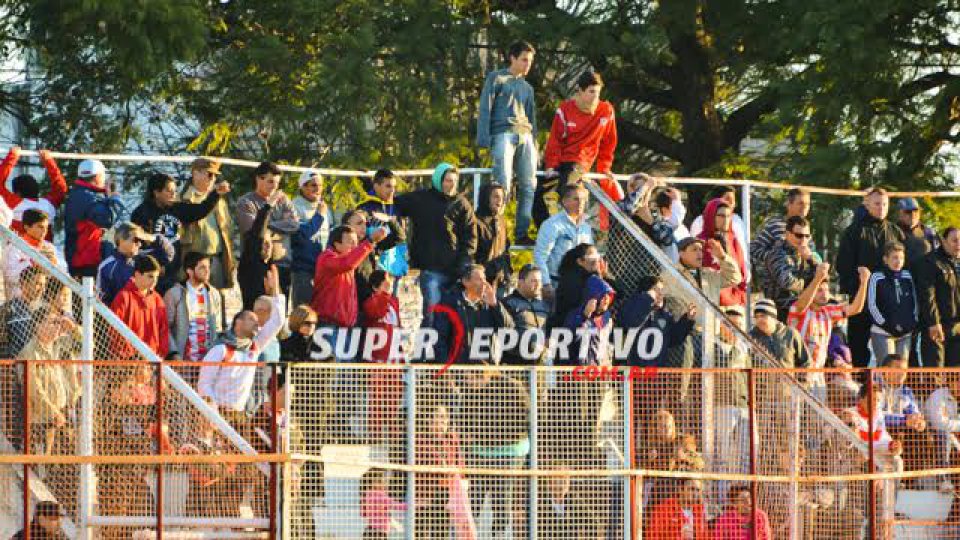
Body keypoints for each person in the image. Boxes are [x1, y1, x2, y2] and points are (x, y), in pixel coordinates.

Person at [198, 266, 285, 435]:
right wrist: (212, 413)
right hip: (217, 415)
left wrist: (275, 292)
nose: (257, 323)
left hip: (240, 415)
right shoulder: (220, 349)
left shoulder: (254, 347)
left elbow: (278, 321)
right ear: (238, 323)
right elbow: (204, 383)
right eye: (251, 319)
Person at [394, 162, 477, 327]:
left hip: (455, 270)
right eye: (447, 180)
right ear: (438, 180)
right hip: (431, 269)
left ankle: (445, 351)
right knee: (431, 315)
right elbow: (394, 204)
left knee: (453, 317)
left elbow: (470, 237)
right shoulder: (421, 198)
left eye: (453, 181)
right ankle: (425, 352)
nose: (450, 184)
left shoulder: (462, 204)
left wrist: (463, 264)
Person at [537, 70, 621, 229]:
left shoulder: (606, 111)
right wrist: (551, 164)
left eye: (598, 92)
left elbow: (609, 142)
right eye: (591, 92)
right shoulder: (565, 109)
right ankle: (543, 232)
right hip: (559, 159)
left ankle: (572, 229)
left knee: (568, 189)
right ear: (580, 92)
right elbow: (555, 139)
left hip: (579, 161)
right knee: (539, 195)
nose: (595, 97)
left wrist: (604, 168)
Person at [477, 40, 538, 244]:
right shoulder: (497, 78)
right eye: (523, 60)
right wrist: (484, 139)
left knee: (529, 185)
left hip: (525, 136)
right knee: (502, 184)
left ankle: (522, 233)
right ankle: (499, 232)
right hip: (503, 133)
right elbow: (485, 108)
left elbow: (532, 118)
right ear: (512, 58)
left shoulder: (527, 88)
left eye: (529, 61)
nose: (527, 64)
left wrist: (535, 145)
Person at [836, 187, 905, 368]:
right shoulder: (854, 231)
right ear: (867, 205)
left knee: (891, 353)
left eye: (884, 204)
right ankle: (861, 388)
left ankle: (890, 388)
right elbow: (843, 266)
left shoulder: (896, 232)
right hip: (862, 302)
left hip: (888, 303)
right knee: (858, 349)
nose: (881, 207)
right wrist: (858, 291)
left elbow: (904, 268)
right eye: (876, 203)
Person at [130, 171, 230, 293]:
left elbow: (200, 210)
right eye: (168, 190)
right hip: (153, 274)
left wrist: (215, 194)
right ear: (156, 192)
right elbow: (141, 246)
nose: (173, 194)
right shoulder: (141, 213)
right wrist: (154, 266)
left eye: (175, 190)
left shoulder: (176, 208)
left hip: (174, 272)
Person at [787, 263, 870, 398]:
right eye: (819, 290)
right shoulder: (797, 310)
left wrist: (864, 283)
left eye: (826, 290)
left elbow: (856, 308)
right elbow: (801, 305)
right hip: (797, 373)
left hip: (818, 374)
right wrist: (817, 278)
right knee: (796, 417)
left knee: (817, 418)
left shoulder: (828, 312)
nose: (824, 294)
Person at [310, 224, 388, 354]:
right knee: (333, 370)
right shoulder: (326, 258)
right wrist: (370, 241)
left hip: (346, 326)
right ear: (336, 244)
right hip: (329, 325)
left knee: (346, 371)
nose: (354, 247)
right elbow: (348, 263)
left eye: (356, 243)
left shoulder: (347, 264)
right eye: (350, 243)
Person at [18, 307, 81, 455]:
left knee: (65, 468)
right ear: (38, 325)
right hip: (42, 421)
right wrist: (55, 413)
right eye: (53, 322)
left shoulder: (60, 345)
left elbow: (88, 345)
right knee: (43, 466)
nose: (58, 326)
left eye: (59, 322)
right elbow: (34, 390)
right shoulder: (30, 352)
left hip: (63, 414)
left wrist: (74, 329)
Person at [235, 161, 300, 293]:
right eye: (270, 182)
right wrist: (277, 226)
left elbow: (294, 225)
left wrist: (266, 226)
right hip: (255, 267)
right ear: (258, 179)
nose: (274, 186)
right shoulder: (246, 202)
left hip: (281, 264)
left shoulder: (283, 200)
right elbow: (252, 231)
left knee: (280, 309)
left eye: (277, 183)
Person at [430, 264, 514, 365]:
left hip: (485, 371)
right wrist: (448, 369)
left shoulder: (491, 305)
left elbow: (508, 330)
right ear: (465, 282)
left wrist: (495, 305)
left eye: (484, 279)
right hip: (458, 371)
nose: (484, 283)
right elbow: (439, 339)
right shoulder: (449, 304)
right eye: (479, 279)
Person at [164, 252, 224, 383]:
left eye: (208, 267)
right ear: (189, 271)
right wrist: (174, 353)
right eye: (202, 267)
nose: (207, 271)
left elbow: (218, 328)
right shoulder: (175, 294)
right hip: (183, 362)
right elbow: (165, 327)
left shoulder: (214, 294)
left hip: (208, 363)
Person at [179, 157, 236, 292]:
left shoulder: (220, 200)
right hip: (193, 262)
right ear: (195, 173)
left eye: (215, 176)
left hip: (216, 259)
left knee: (216, 303)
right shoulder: (184, 199)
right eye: (209, 174)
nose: (213, 179)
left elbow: (228, 229)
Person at [63, 159, 125, 278]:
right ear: (97, 177)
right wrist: (113, 199)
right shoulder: (89, 197)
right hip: (87, 260)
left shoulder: (79, 194)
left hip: (81, 257)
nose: (104, 179)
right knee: (89, 295)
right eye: (103, 175)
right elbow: (108, 221)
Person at [534, 183, 593, 296]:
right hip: (556, 285)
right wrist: (546, 284)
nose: (580, 203)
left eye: (583, 200)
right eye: (576, 199)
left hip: (580, 285)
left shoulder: (586, 227)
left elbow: (589, 256)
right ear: (565, 202)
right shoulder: (552, 224)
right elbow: (540, 256)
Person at [96, 222, 175, 305]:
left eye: (141, 240)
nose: (140, 244)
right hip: (119, 314)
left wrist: (150, 237)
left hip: (143, 312)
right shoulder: (107, 266)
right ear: (121, 240)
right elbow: (102, 300)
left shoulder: (143, 258)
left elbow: (169, 253)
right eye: (136, 240)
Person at [914, 227, 960, 367]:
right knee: (935, 374)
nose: (958, 245)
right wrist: (933, 322)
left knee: (955, 375)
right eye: (955, 241)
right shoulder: (930, 262)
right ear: (944, 241)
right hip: (936, 327)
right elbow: (927, 295)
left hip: (957, 326)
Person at [879, 354, 933, 471]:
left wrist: (918, 421)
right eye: (898, 369)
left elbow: (913, 410)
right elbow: (877, 417)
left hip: (902, 426)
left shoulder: (906, 390)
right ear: (885, 370)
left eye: (905, 370)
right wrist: (904, 420)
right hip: (881, 427)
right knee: (899, 433)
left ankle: (912, 476)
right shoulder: (875, 388)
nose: (903, 374)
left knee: (923, 431)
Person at [750, 187, 811, 290]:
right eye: (800, 203)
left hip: (800, 285)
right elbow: (753, 248)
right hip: (777, 287)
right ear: (789, 204)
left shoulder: (806, 228)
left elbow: (810, 254)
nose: (804, 207)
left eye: (807, 204)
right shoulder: (775, 225)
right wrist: (775, 258)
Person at [110, 255, 170, 359]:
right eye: (150, 276)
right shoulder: (123, 297)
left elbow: (163, 331)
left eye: (156, 277)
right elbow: (114, 331)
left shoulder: (157, 299)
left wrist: (160, 355)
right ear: (137, 274)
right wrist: (127, 357)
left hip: (153, 361)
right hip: (128, 364)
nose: (154, 281)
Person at [866, 242, 918, 360]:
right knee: (887, 371)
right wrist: (886, 324)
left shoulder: (907, 276)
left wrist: (911, 323)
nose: (898, 261)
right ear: (885, 259)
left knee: (901, 371)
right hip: (882, 331)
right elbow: (871, 305)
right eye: (894, 258)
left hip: (905, 332)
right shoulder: (877, 277)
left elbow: (914, 302)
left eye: (901, 258)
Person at [0, 146, 67, 239]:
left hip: (19, 252)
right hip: (45, 252)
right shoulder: (48, 205)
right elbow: (60, 188)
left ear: (18, 193)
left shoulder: (14, 204)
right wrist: (48, 160)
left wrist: (12, 156)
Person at [290, 169, 334, 307]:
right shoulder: (294, 207)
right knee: (303, 311)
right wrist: (319, 216)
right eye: (313, 185)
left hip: (323, 268)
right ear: (303, 187)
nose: (318, 189)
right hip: (303, 269)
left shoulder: (323, 207)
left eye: (320, 185)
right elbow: (302, 235)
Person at [238, 193, 289, 310]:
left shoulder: (272, 268)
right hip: (252, 317)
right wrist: (267, 207)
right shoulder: (249, 263)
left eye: (269, 243)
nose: (267, 246)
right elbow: (256, 233)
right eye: (263, 243)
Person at [763, 216, 819, 319]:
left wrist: (811, 260)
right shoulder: (776, 254)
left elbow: (823, 278)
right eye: (799, 235)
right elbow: (788, 282)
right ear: (788, 234)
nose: (803, 240)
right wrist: (812, 284)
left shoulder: (808, 253)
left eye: (807, 236)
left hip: (804, 309)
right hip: (780, 312)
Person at [696, 197, 748, 306]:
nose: (726, 220)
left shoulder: (733, 240)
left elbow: (742, 272)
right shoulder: (700, 242)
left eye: (729, 216)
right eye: (721, 215)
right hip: (712, 302)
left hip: (735, 304)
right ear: (711, 216)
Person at [2, 209, 65, 298]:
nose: (44, 231)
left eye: (46, 227)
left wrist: (54, 263)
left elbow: (65, 270)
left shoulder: (49, 247)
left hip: (47, 296)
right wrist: (34, 262)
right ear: (27, 227)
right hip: (19, 299)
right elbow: (9, 276)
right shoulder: (14, 247)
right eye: (40, 227)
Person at [562, 274, 616, 366]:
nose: (606, 299)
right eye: (603, 295)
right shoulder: (576, 315)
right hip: (579, 374)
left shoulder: (607, 318)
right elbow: (568, 338)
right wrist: (584, 316)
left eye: (609, 295)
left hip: (602, 372)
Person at [501, 264, 550, 365]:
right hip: (515, 365)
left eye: (540, 281)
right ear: (520, 282)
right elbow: (504, 335)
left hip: (539, 365)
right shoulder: (507, 303)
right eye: (533, 281)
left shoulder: (544, 306)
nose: (538, 285)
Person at [547, 243, 603, 330]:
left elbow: (619, 293)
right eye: (592, 257)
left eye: (597, 256)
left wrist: (603, 276)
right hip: (569, 330)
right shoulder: (572, 280)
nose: (597, 260)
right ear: (580, 261)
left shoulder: (591, 276)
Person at [675, 237, 742, 306]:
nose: (699, 253)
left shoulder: (708, 274)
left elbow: (734, 278)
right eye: (694, 249)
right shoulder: (672, 274)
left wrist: (722, 257)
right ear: (681, 254)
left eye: (700, 250)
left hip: (710, 316)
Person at [0, 266, 48, 359]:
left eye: (44, 285)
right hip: (15, 365)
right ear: (24, 284)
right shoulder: (8, 309)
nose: (42, 289)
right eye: (38, 284)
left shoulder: (45, 311)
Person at [690, 186, 749, 259]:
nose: (731, 203)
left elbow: (743, 251)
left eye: (733, 200)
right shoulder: (700, 221)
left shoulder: (737, 220)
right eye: (727, 199)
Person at [749, 299, 810, 369]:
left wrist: (801, 378)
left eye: (763, 316)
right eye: (756, 317)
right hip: (760, 379)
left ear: (773, 317)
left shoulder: (790, 334)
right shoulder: (750, 337)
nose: (759, 320)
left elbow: (806, 362)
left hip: (788, 379)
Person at [474, 182, 513, 293]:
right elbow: (471, 253)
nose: (500, 201)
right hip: (480, 281)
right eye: (496, 196)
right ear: (486, 198)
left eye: (502, 197)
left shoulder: (501, 221)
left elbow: (506, 250)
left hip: (499, 280)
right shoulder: (475, 222)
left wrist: (507, 272)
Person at [360, 468, 408, 539]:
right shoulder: (379, 494)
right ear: (374, 482)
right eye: (382, 481)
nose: (385, 483)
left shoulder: (366, 495)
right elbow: (396, 505)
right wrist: (414, 504)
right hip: (379, 532)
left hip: (370, 530)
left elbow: (363, 514)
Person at [895, 197, 939, 266]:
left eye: (916, 210)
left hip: (926, 273)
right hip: (903, 274)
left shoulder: (929, 232)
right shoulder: (892, 232)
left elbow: (938, 256)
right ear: (900, 214)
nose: (912, 214)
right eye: (908, 212)